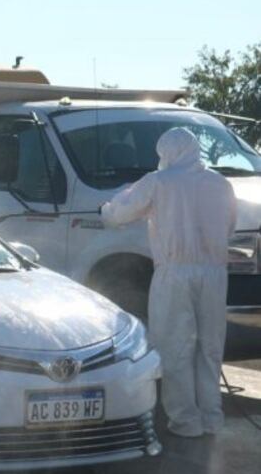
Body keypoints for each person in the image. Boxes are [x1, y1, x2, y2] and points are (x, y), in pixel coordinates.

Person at [100, 127, 237, 437]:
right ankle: (211, 418)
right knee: (209, 347)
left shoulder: (158, 182)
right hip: (215, 273)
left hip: (175, 273)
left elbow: (118, 215)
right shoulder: (220, 184)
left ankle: (186, 421)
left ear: (167, 153)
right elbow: (229, 226)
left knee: (175, 346)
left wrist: (106, 209)